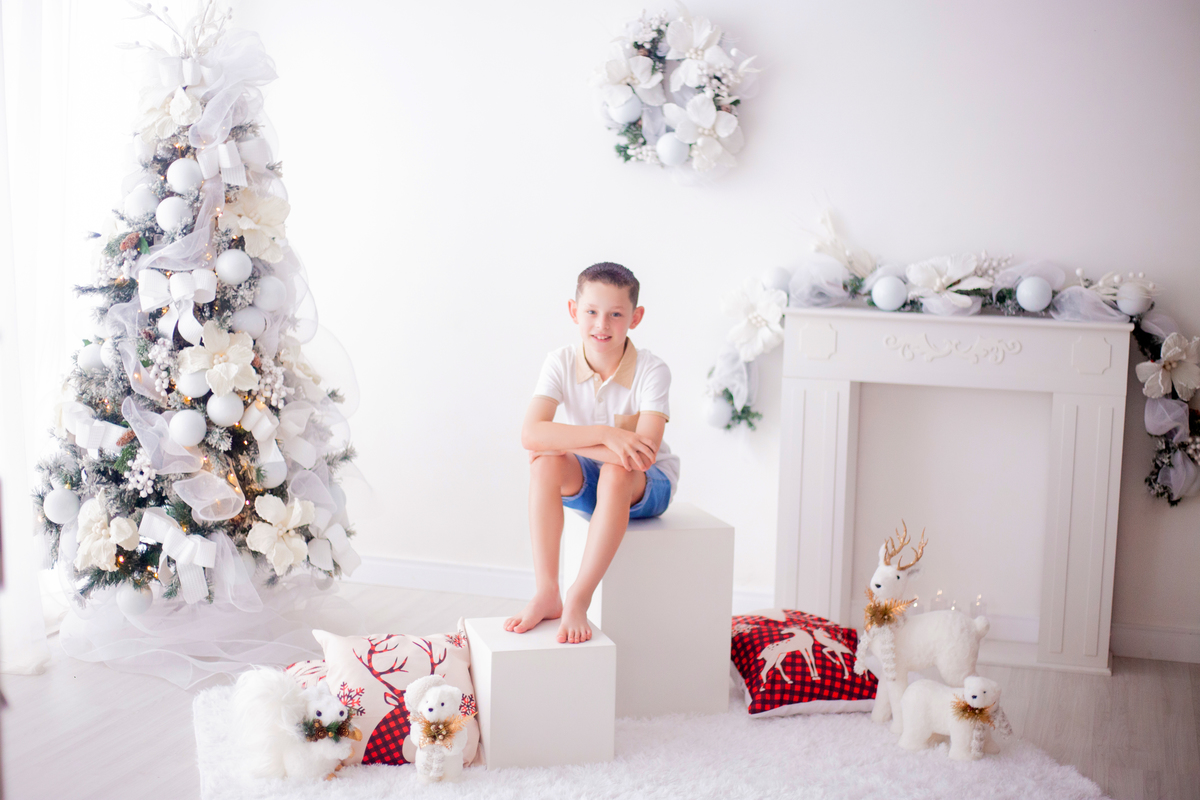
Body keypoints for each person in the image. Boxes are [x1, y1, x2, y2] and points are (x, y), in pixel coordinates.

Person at [504, 262, 680, 644]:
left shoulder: (653, 370)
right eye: (592, 312)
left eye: (616, 314)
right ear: (573, 312)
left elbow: (643, 456)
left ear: (635, 318)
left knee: (617, 471)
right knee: (544, 462)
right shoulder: (560, 361)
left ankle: (578, 598)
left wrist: (563, 439)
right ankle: (547, 591)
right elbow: (531, 435)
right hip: (593, 473)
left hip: (648, 484)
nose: (602, 324)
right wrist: (606, 435)